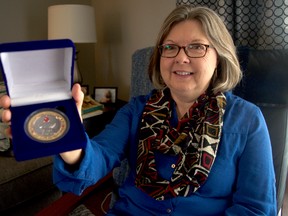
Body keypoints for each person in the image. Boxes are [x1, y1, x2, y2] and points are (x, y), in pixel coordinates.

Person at [1, 5, 276, 215]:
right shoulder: (137, 110)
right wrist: (67, 137)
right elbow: (100, 157)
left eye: (196, 47)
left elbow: (254, 209)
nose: (181, 56)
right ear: (159, 59)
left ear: (219, 59)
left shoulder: (247, 120)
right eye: (170, 47)